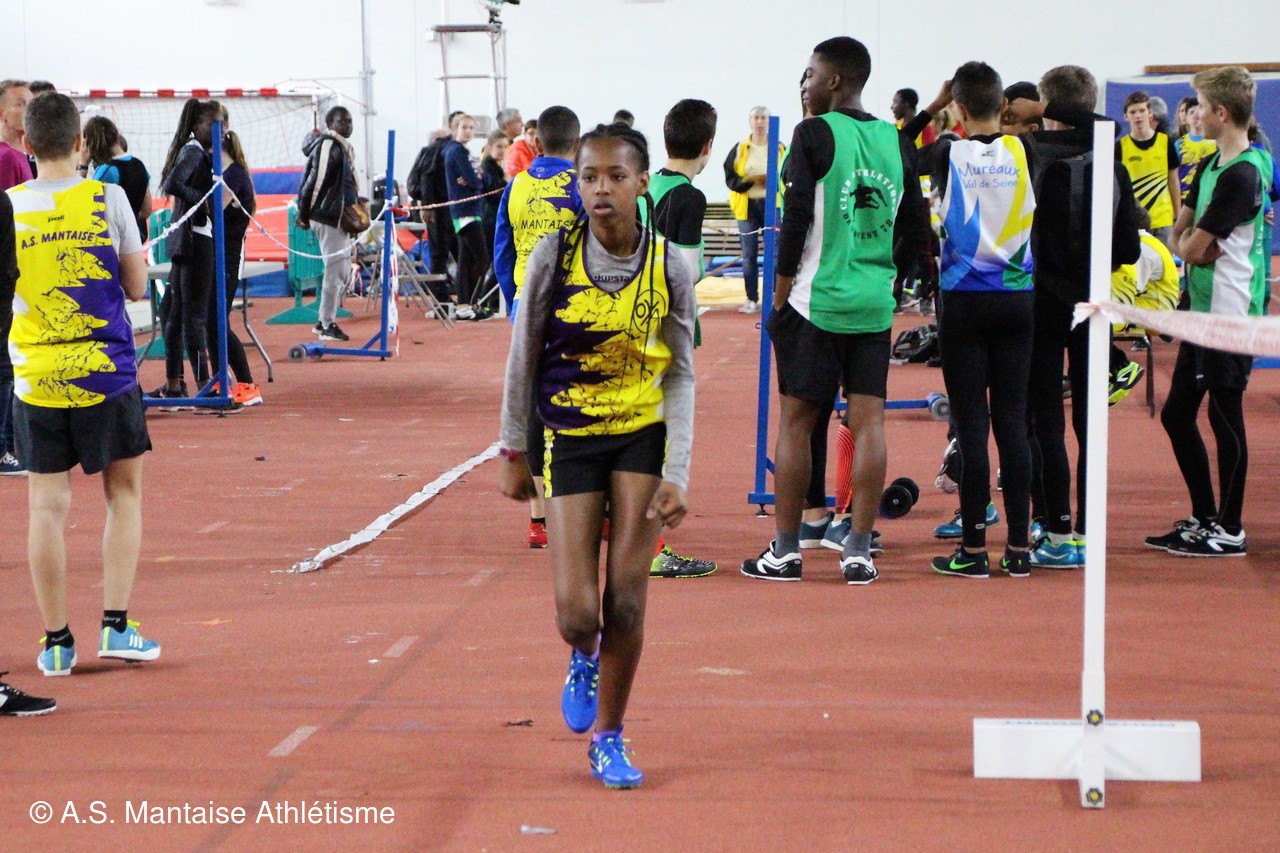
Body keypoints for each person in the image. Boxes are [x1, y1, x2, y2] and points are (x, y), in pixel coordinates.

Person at [496, 123, 696, 789]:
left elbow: (681, 373)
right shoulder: (554, 255)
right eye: (589, 177)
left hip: (642, 436)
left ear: (643, 183)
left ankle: (609, 736)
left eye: (615, 176)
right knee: (578, 612)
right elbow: (522, 355)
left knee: (628, 601)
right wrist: (513, 447)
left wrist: (678, 471)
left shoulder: (670, 265)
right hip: (570, 434)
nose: (601, 188)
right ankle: (584, 652)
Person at [741, 36, 928, 585]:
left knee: (796, 425)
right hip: (873, 303)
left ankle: (786, 551)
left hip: (815, 301)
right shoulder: (896, 140)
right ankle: (859, 550)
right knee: (869, 425)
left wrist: (778, 296)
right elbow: (915, 225)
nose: (804, 84)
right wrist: (891, 283)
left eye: (810, 74)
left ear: (836, 80)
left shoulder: (813, 133)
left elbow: (795, 220)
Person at [6, 92, 159, 677]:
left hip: (37, 378)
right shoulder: (108, 197)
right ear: (79, 144)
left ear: (27, 144)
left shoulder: (8, 206)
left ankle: (56, 643)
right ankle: (116, 626)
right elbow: (137, 287)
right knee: (124, 496)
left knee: (46, 508)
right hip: (106, 373)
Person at [1004, 66, 1142, 567]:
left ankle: (1057, 529)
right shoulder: (1110, 159)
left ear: (1048, 108)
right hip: (1094, 304)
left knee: (1045, 421)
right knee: (1089, 422)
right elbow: (1129, 249)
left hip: (1042, 302)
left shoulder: (1029, 153)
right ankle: (1087, 527)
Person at [1146, 67, 1274, 557]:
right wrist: (1190, 243)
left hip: (1230, 312)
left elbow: (1195, 247)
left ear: (1221, 112)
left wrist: (1191, 243)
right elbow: (1180, 238)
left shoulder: (1244, 172)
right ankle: (1205, 517)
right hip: (1200, 310)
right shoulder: (1209, 166)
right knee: (1178, 416)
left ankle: (1231, 529)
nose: (1192, 114)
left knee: (1224, 416)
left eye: (1199, 106)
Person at [918, 62, 1036, 579]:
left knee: (971, 426)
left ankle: (972, 549)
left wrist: (931, 106)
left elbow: (898, 150)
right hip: (1017, 300)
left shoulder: (946, 152)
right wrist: (1041, 108)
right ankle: (1019, 549)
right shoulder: (1027, 149)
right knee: (1013, 423)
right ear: (1004, 105)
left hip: (964, 301)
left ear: (958, 108)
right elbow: (1094, 128)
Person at [494, 105, 583, 549]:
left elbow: (502, 251)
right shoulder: (583, 186)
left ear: (537, 142)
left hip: (527, 308)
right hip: (575, 309)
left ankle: (538, 519)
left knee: (533, 408)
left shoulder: (515, 186)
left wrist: (516, 300)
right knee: (579, 403)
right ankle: (587, 510)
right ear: (577, 143)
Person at [645, 98, 720, 579]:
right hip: (668, 326)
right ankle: (653, 547)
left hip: (635, 320)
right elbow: (687, 271)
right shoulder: (689, 198)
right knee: (661, 436)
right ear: (708, 147)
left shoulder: (647, 185)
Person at [154, 99, 225, 401]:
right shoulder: (194, 152)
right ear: (197, 125)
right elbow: (173, 183)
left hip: (186, 240)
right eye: (214, 124)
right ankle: (204, 386)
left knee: (172, 315)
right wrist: (202, 199)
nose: (221, 130)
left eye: (223, 124)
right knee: (192, 318)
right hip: (195, 241)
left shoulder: (194, 151)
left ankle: (175, 385)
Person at [297, 105, 359, 341]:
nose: (348, 125)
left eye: (350, 120)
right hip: (326, 216)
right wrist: (304, 214)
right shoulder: (328, 146)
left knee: (341, 271)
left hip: (338, 216)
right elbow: (313, 183)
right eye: (343, 121)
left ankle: (323, 321)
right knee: (335, 271)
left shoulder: (343, 147)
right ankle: (326, 324)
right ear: (330, 124)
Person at [215, 130, 263, 406]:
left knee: (218, 320)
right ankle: (219, 380)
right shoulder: (226, 174)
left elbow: (213, 210)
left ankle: (247, 383)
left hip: (230, 255)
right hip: (218, 253)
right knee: (210, 321)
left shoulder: (233, 175)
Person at [723, 107, 785, 313]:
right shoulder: (740, 148)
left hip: (773, 205)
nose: (760, 122)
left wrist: (771, 181)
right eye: (756, 118)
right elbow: (730, 177)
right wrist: (750, 180)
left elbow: (789, 174)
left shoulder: (779, 148)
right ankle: (751, 298)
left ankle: (774, 297)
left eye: (763, 118)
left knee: (775, 253)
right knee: (749, 255)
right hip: (747, 206)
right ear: (750, 122)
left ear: (769, 122)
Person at [1117, 91, 1181, 247]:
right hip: (1135, 220)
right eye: (1133, 112)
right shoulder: (1120, 148)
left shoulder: (1165, 143)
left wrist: (1178, 215)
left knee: (1164, 261)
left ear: (1150, 114)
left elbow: (1173, 180)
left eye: (1142, 110)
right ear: (1126, 117)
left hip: (1163, 219)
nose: (1138, 116)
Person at [442, 113, 488, 319]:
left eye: (471, 128)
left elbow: (480, 178)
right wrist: (476, 178)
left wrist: (478, 178)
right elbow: (475, 180)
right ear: (454, 129)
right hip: (465, 211)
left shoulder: (462, 151)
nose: (469, 131)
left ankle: (464, 306)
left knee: (466, 259)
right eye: (464, 127)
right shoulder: (456, 151)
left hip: (471, 210)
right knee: (481, 259)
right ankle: (470, 303)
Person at [81, 115, 152, 242]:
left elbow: (82, 206)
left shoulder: (107, 171)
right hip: (132, 238)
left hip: (111, 240)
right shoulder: (140, 166)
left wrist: (83, 165)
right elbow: (146, 211)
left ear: (92, 145)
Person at [1175, 99, 1218, 203]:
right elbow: (1174, 175)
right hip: (1184, 198)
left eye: (1199, 111)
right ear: (1186, 118)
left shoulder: (1214, 142)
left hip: (1206, 197)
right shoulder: (1179, 144)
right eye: (1192, 112)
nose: (1196, 115)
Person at [0, 80, 33, 189]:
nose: (30, 110)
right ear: (1, 113)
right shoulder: (7, 157)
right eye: (20, 104)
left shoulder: (20, 155)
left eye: (31, 104)